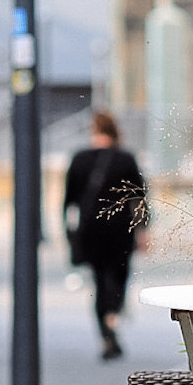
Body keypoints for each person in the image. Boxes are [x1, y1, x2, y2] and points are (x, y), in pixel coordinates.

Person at [62, 109, 150, 359]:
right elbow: (140, 198)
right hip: (120, 229)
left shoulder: (79, 159)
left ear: (94, 131)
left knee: (100, 281)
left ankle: (105, 333)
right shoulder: (126, 159)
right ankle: (112, 317)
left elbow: (69, 201)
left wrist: (69, 233)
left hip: (90, 229)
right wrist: (143, 229)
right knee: (119, 276)